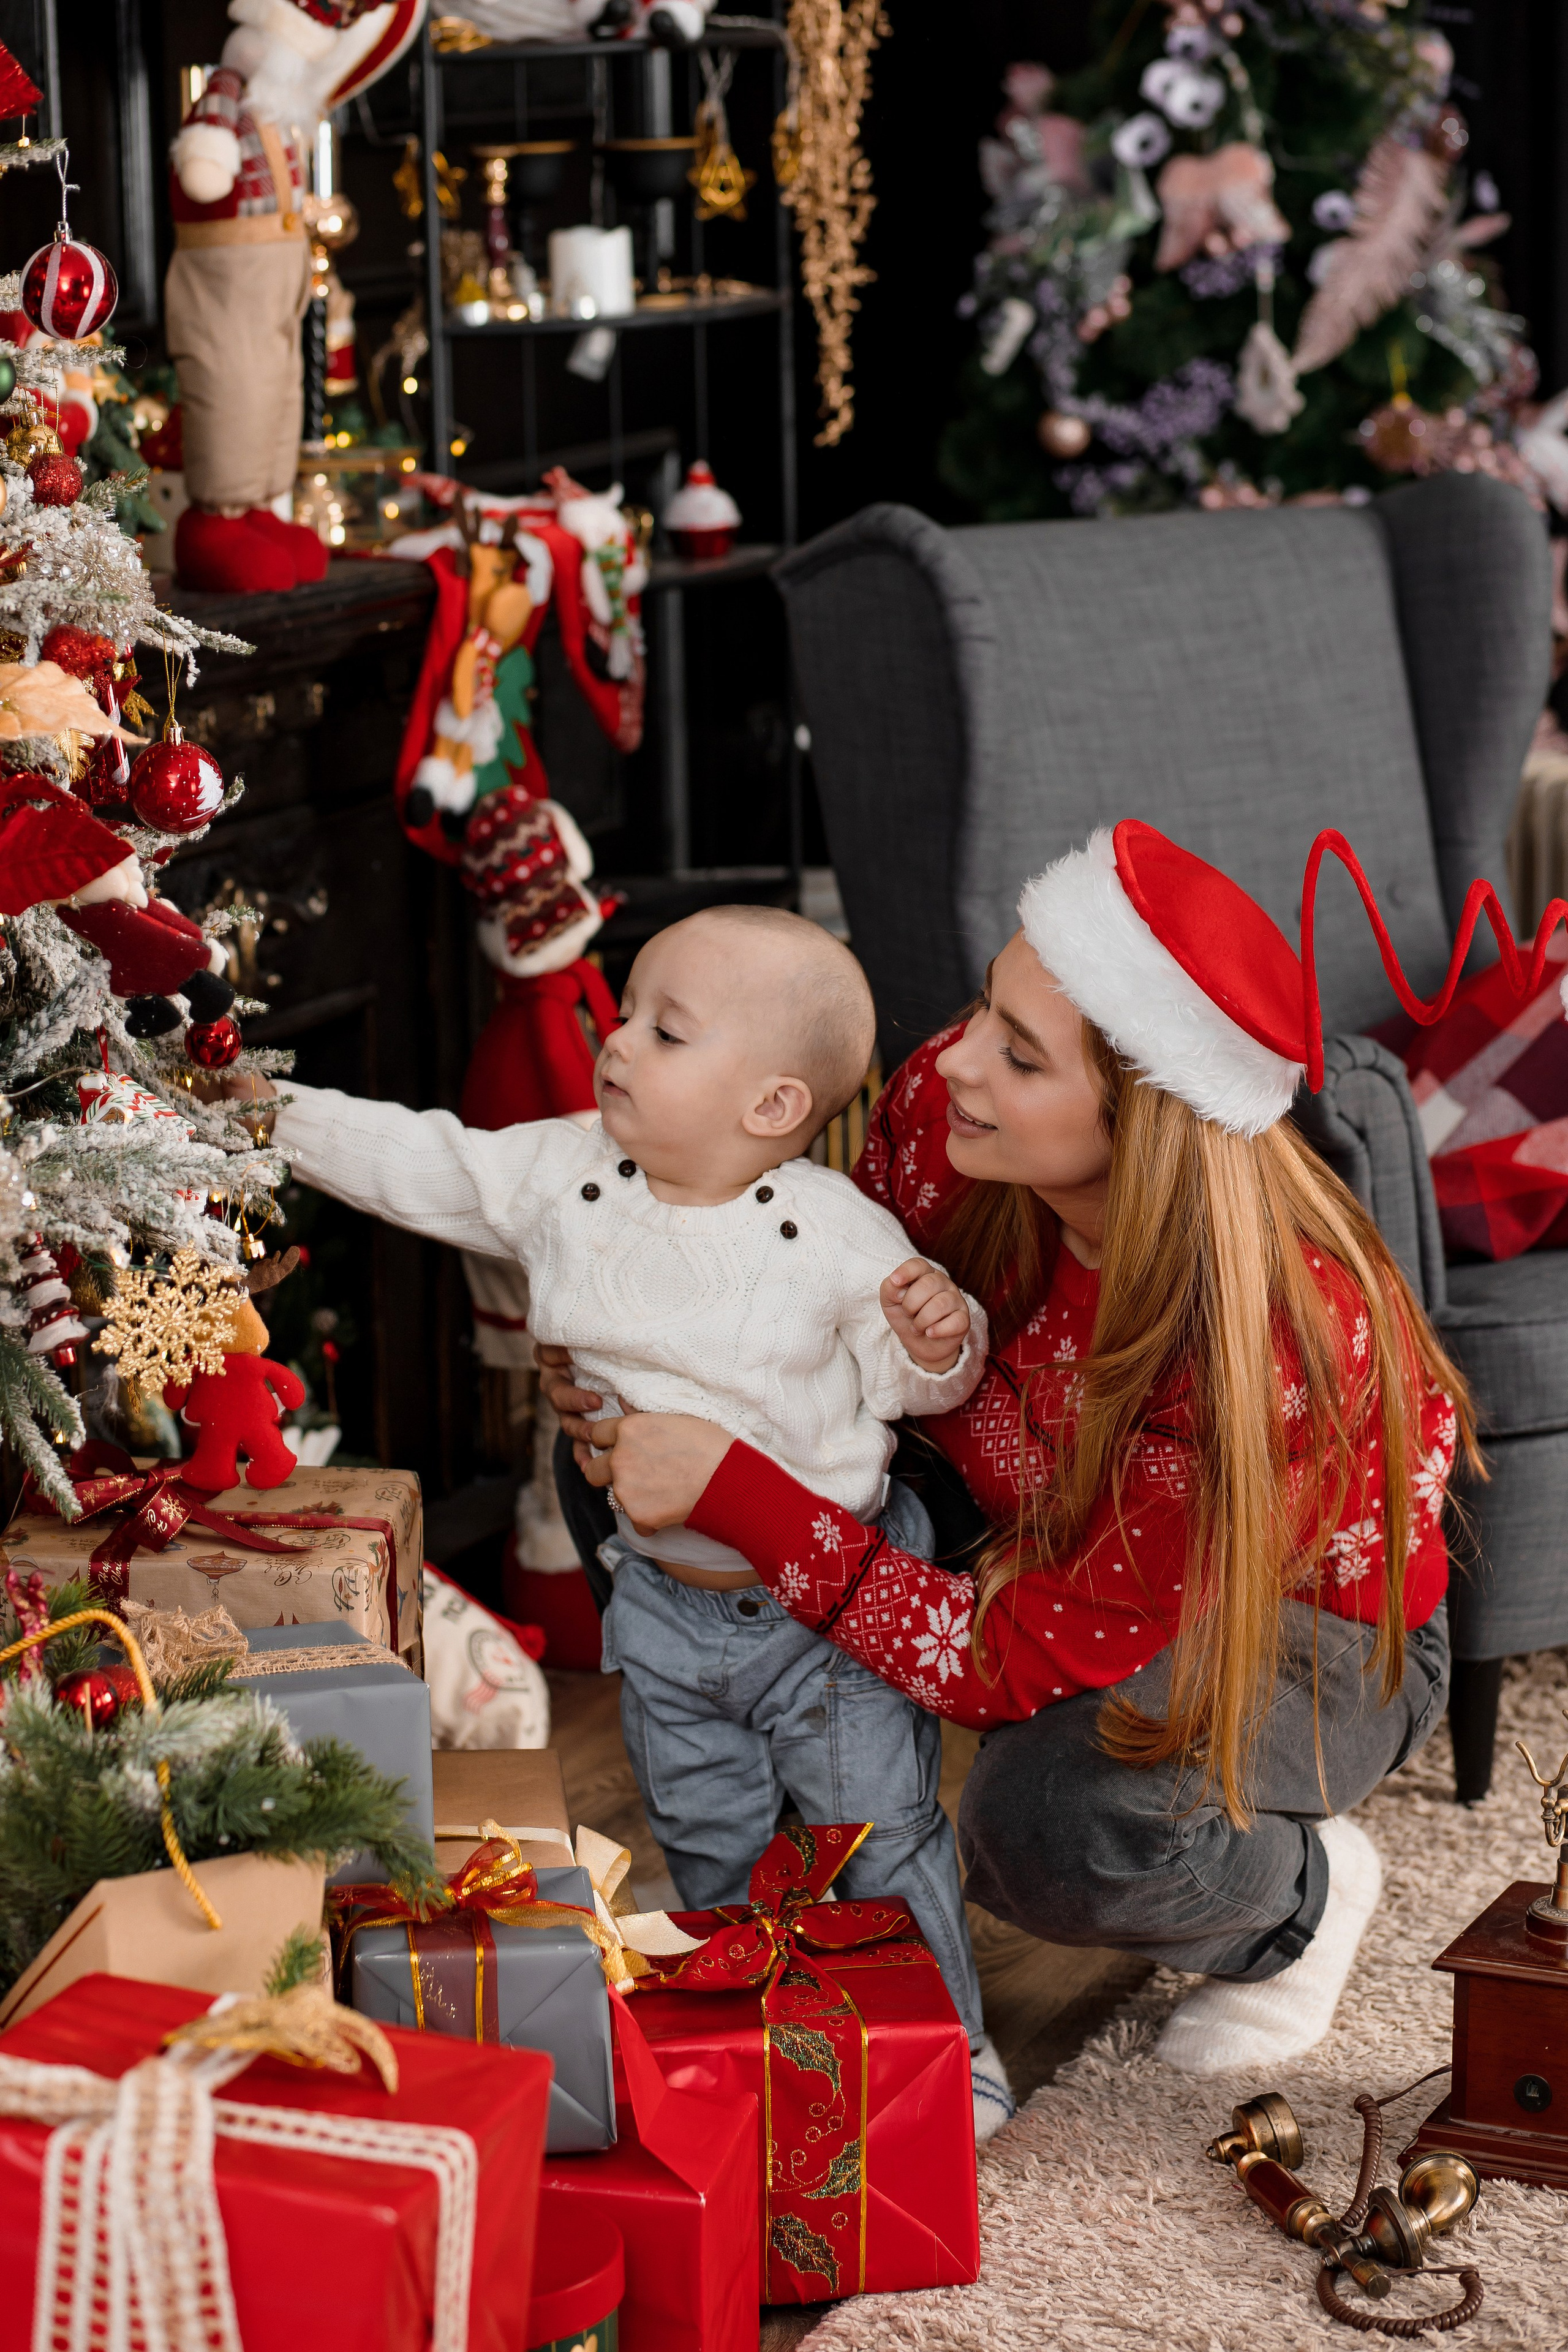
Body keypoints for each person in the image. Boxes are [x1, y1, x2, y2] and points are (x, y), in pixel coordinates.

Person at [541, 821, 1491, 2079]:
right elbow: (798, 1306)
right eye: (986, 1011)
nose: (955, 1065)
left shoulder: (1262, 1344)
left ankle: (1297, 1901)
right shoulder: (951, 1111)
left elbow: (996, 1660)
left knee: (1056, 1827)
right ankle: (789, 1858)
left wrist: (736, 1487)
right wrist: (637, 1358)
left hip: (1301, 1623)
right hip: (1027, 1500)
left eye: (1019, 1057)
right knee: (625, 1454)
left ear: (1143, 1119)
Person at [246, 903, 1017, 2133]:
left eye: (665, 1032)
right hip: (660, 1602)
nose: (616, 1044)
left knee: (873, 1835)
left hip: (824, 1615)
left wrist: (940, 1339)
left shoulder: (833, 1237)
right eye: (624, 1013)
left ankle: (949, 2052)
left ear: (768, 1107)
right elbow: (421, 1157)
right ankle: (751, 2030)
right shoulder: (564, 1172)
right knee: (703, 1832)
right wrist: (265, 1112)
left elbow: (907, 1389)